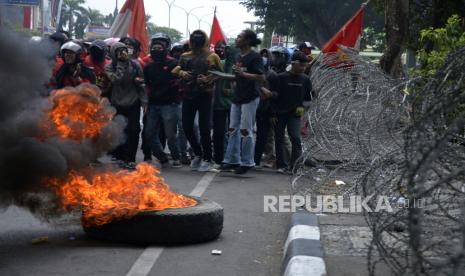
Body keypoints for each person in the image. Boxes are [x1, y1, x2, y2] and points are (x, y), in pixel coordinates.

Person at [172, 30, 223, 172]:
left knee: (204, 127)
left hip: (205, 95)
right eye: (193, 41)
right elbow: (177, 69)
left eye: (198, 41)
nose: (195, 44)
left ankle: (207, 158)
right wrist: (182, 73)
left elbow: (221, 73)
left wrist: (209, 79)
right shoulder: (185, 56)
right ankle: (198, 153)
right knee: (186, 126)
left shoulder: (212, 56)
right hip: (188, 94)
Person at [219, 29, 265, 174]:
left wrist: (243, 74)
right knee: (232, 130)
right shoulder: (238, 56)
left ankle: (247, 163)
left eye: (239, 37)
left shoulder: (255, 57)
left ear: (247, 41)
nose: (237, 39)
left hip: (250, 98)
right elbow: (237, 77)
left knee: (246, 130)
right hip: (237, 97)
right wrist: (220, 76)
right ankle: (231, 160)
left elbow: (261, 77)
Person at [105, 42, 148, 170]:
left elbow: (142, 84)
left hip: (133, 102)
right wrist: (121, 63)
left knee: (134, 130)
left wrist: (145, 102)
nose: (123, 53)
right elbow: (116, 80)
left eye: (124, 50)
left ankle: (130, 159)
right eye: (119, 51)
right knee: (118, 130)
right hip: (117, 103)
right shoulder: (110, 66)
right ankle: (119, 157)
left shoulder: (135, 65)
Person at [144, 33, 182, 168]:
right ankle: (162, 157)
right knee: (149, 133)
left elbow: (180, 80)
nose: (156, 50)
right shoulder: (148, 67)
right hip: (154, 105)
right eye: (154, 47)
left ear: (166, 48)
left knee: (170, 134)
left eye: (160, 47)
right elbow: (146, 85)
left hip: (170, 105)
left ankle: (176, 157)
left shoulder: (174, 63)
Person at [272, 52, 313, 174]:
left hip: (295, 114)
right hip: (279, 113)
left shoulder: (305, 80)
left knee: (295, 138)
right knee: (279, 139)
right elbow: (273, 97)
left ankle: (295, 166)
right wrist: (272, 114)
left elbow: (308, 99)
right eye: (301, 65)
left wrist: (303, 109)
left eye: (304, 66)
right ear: (293, 63)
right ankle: (281, 165)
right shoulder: (281, 77)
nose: (303, 68)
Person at [212, 41, 235, 167]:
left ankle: (232, 158)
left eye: (229, 50)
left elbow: (243, 83)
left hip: (234, 104)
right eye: (227, 50)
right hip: (219, 104)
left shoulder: (238, 66)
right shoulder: (219, 64)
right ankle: (218, 159)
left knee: (233, 132)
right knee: (218, 133)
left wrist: (233, 90)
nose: (226, 52)